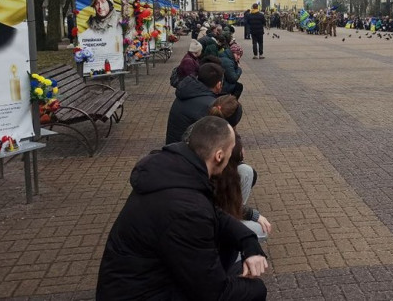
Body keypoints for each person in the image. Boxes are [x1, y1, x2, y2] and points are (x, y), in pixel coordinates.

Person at [97, 116, 269, 301]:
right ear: (219, 155)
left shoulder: (175, 170)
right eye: (231, 150)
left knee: (234, 256)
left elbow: (215, 214)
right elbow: (214, 294)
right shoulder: (186, 209)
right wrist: (253, 288)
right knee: (254, 289)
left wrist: (248, 241)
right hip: (143, 293)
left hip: (140, 280)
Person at [214, 132, 272, 240]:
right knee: (261, 230)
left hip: (218, 216)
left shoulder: (220, 169)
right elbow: (221, 208)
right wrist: (251, 214)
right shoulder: (210, 178)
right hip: (209, 230)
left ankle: (237, 220)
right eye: (240, 147)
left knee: (246, 171)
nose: (243, 150)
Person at [165, 63, 224, 144]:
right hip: (186, 153)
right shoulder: (209, 105)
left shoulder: (187, 92)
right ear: (219, 85)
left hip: (174, 147)